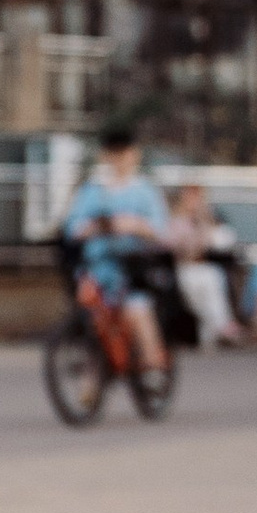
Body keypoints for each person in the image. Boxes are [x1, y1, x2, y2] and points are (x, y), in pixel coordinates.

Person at [58, 127, 173, 381]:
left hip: (134, 266)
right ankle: (91, 380)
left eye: (123, 154)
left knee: (136, 309)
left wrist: (135, 225)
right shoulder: (92, 191)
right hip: (97, 266)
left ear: (134, 155)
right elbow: (72, 227)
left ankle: (152, 366)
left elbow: (162, 231)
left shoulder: (145, 191)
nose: (118, 160)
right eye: (114, 154)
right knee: (91, 318)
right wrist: (93, 227)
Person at [165, 181, 242, 347]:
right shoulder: (175, 221)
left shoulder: (208, 219)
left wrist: (203, 220)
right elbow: (183, 250)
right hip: (182, 270)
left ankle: (215, 332)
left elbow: (220, 242)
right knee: (203, 283)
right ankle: (223, 326)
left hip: (204, 268)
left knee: (212, 277)